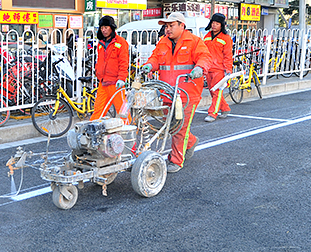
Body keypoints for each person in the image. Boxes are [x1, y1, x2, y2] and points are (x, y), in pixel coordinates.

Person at [140, 12, 211, 173]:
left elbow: (205, 57)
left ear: (181, 25)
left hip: (187, 94)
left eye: (171, 25)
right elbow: (155, 58)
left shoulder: (194, 41)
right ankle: (191, 142)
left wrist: (200, 68)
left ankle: (176, 160)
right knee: (171, 126)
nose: (168, 29)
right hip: (167, 92)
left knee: (180, 128)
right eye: (166, 26)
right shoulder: (163, 42)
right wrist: (149, 65)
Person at [91, 15, 130, 120]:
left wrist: (121, 78)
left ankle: (130, 133)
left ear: (112, 27)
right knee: (98, 110)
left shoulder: (121, 43)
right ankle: (93, 133)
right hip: (103, 83)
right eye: (102, 27)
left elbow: (124, 62)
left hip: (116, 84)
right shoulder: (101, 43)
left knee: (123, 112)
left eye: (106, 27)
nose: (103, 30)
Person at [202, 13, 233, 122]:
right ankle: (225, 108)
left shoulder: (226, 38)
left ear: (222, 25)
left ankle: (212, 113)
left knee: (217, 92)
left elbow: (228, 56)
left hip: (220, 70)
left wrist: (228, 70)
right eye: (213, 23)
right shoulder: (207, 36)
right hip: (208, 69)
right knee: (213, 92)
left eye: (217, 23)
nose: (214, 25)